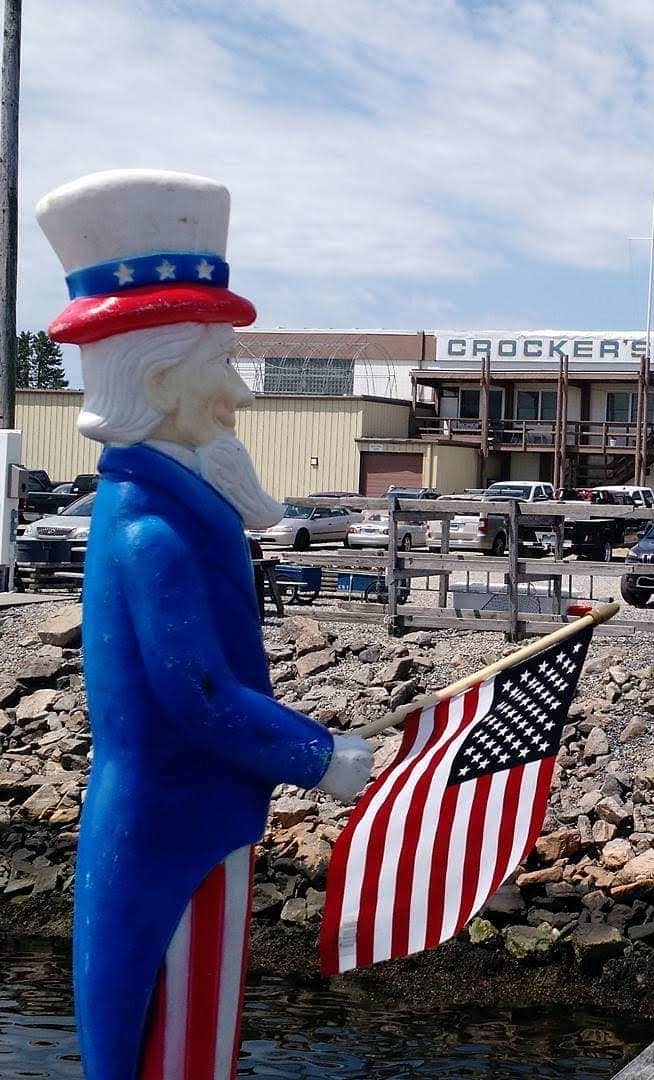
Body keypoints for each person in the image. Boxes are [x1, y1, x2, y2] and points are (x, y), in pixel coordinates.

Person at [36, 169, 373, 1080]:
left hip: (198, 819)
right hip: (174, 827)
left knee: (195, 1033)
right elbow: (199, 696)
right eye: (222, 363)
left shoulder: (173, 508)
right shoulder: (151, 531)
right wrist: (320, 756)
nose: (240, 394)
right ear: (158, 376)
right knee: (175, 1035)